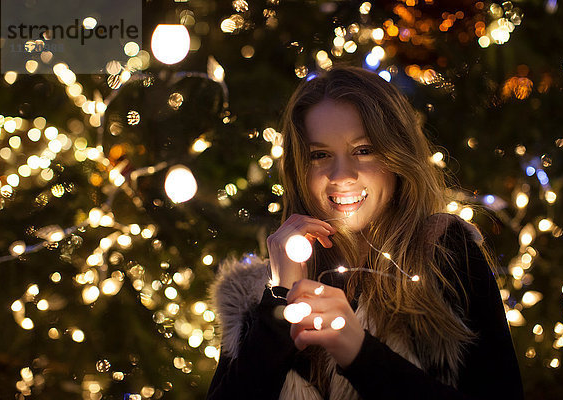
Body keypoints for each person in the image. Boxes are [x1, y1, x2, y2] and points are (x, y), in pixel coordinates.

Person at [207, 66, 523, 399]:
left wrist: (360, 354)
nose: (341, 175)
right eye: (320, 155)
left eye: (363, 150)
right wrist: (279, 303)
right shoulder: (254, 294)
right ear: (300, 168)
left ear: (397, 155)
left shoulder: (445, 259)